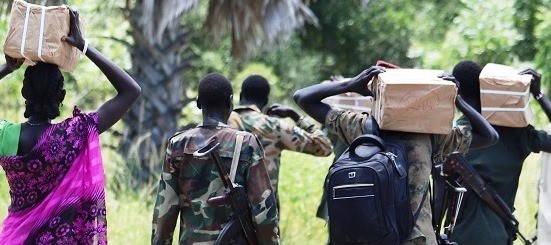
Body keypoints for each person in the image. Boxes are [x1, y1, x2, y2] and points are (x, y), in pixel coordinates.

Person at [293, 66, 498, 244]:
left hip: (371, 235)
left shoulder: (362, 126)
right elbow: (489, 136)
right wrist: (457, 100)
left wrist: (351, 86)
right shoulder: (431, 136)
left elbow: (302, 97)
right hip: (418, 238)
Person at [0, 8, 141, 244]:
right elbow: (131, 91)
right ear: (62, 95)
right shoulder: (74, 134)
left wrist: (8, 68)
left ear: (24, 92)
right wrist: (85, 47)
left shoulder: (6, 135)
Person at [151, 73, 279, 244]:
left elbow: (165, 210)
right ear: (231, 102)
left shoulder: (178, 144)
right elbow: (264, 210)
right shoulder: (246, 143)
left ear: (198, 103)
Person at [450, 61, 551, 245]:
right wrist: (538, 94)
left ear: (457, 93)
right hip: (500, 236)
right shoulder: (519, 134)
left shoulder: (455, 136)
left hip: (461, 237)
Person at [228, 75, 332, 200]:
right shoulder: (274, 127)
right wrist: (296, 117)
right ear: (266, 101)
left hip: (221, 205)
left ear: (240, 96)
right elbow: (324, 147)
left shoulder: (222, 121)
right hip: (262, 210)